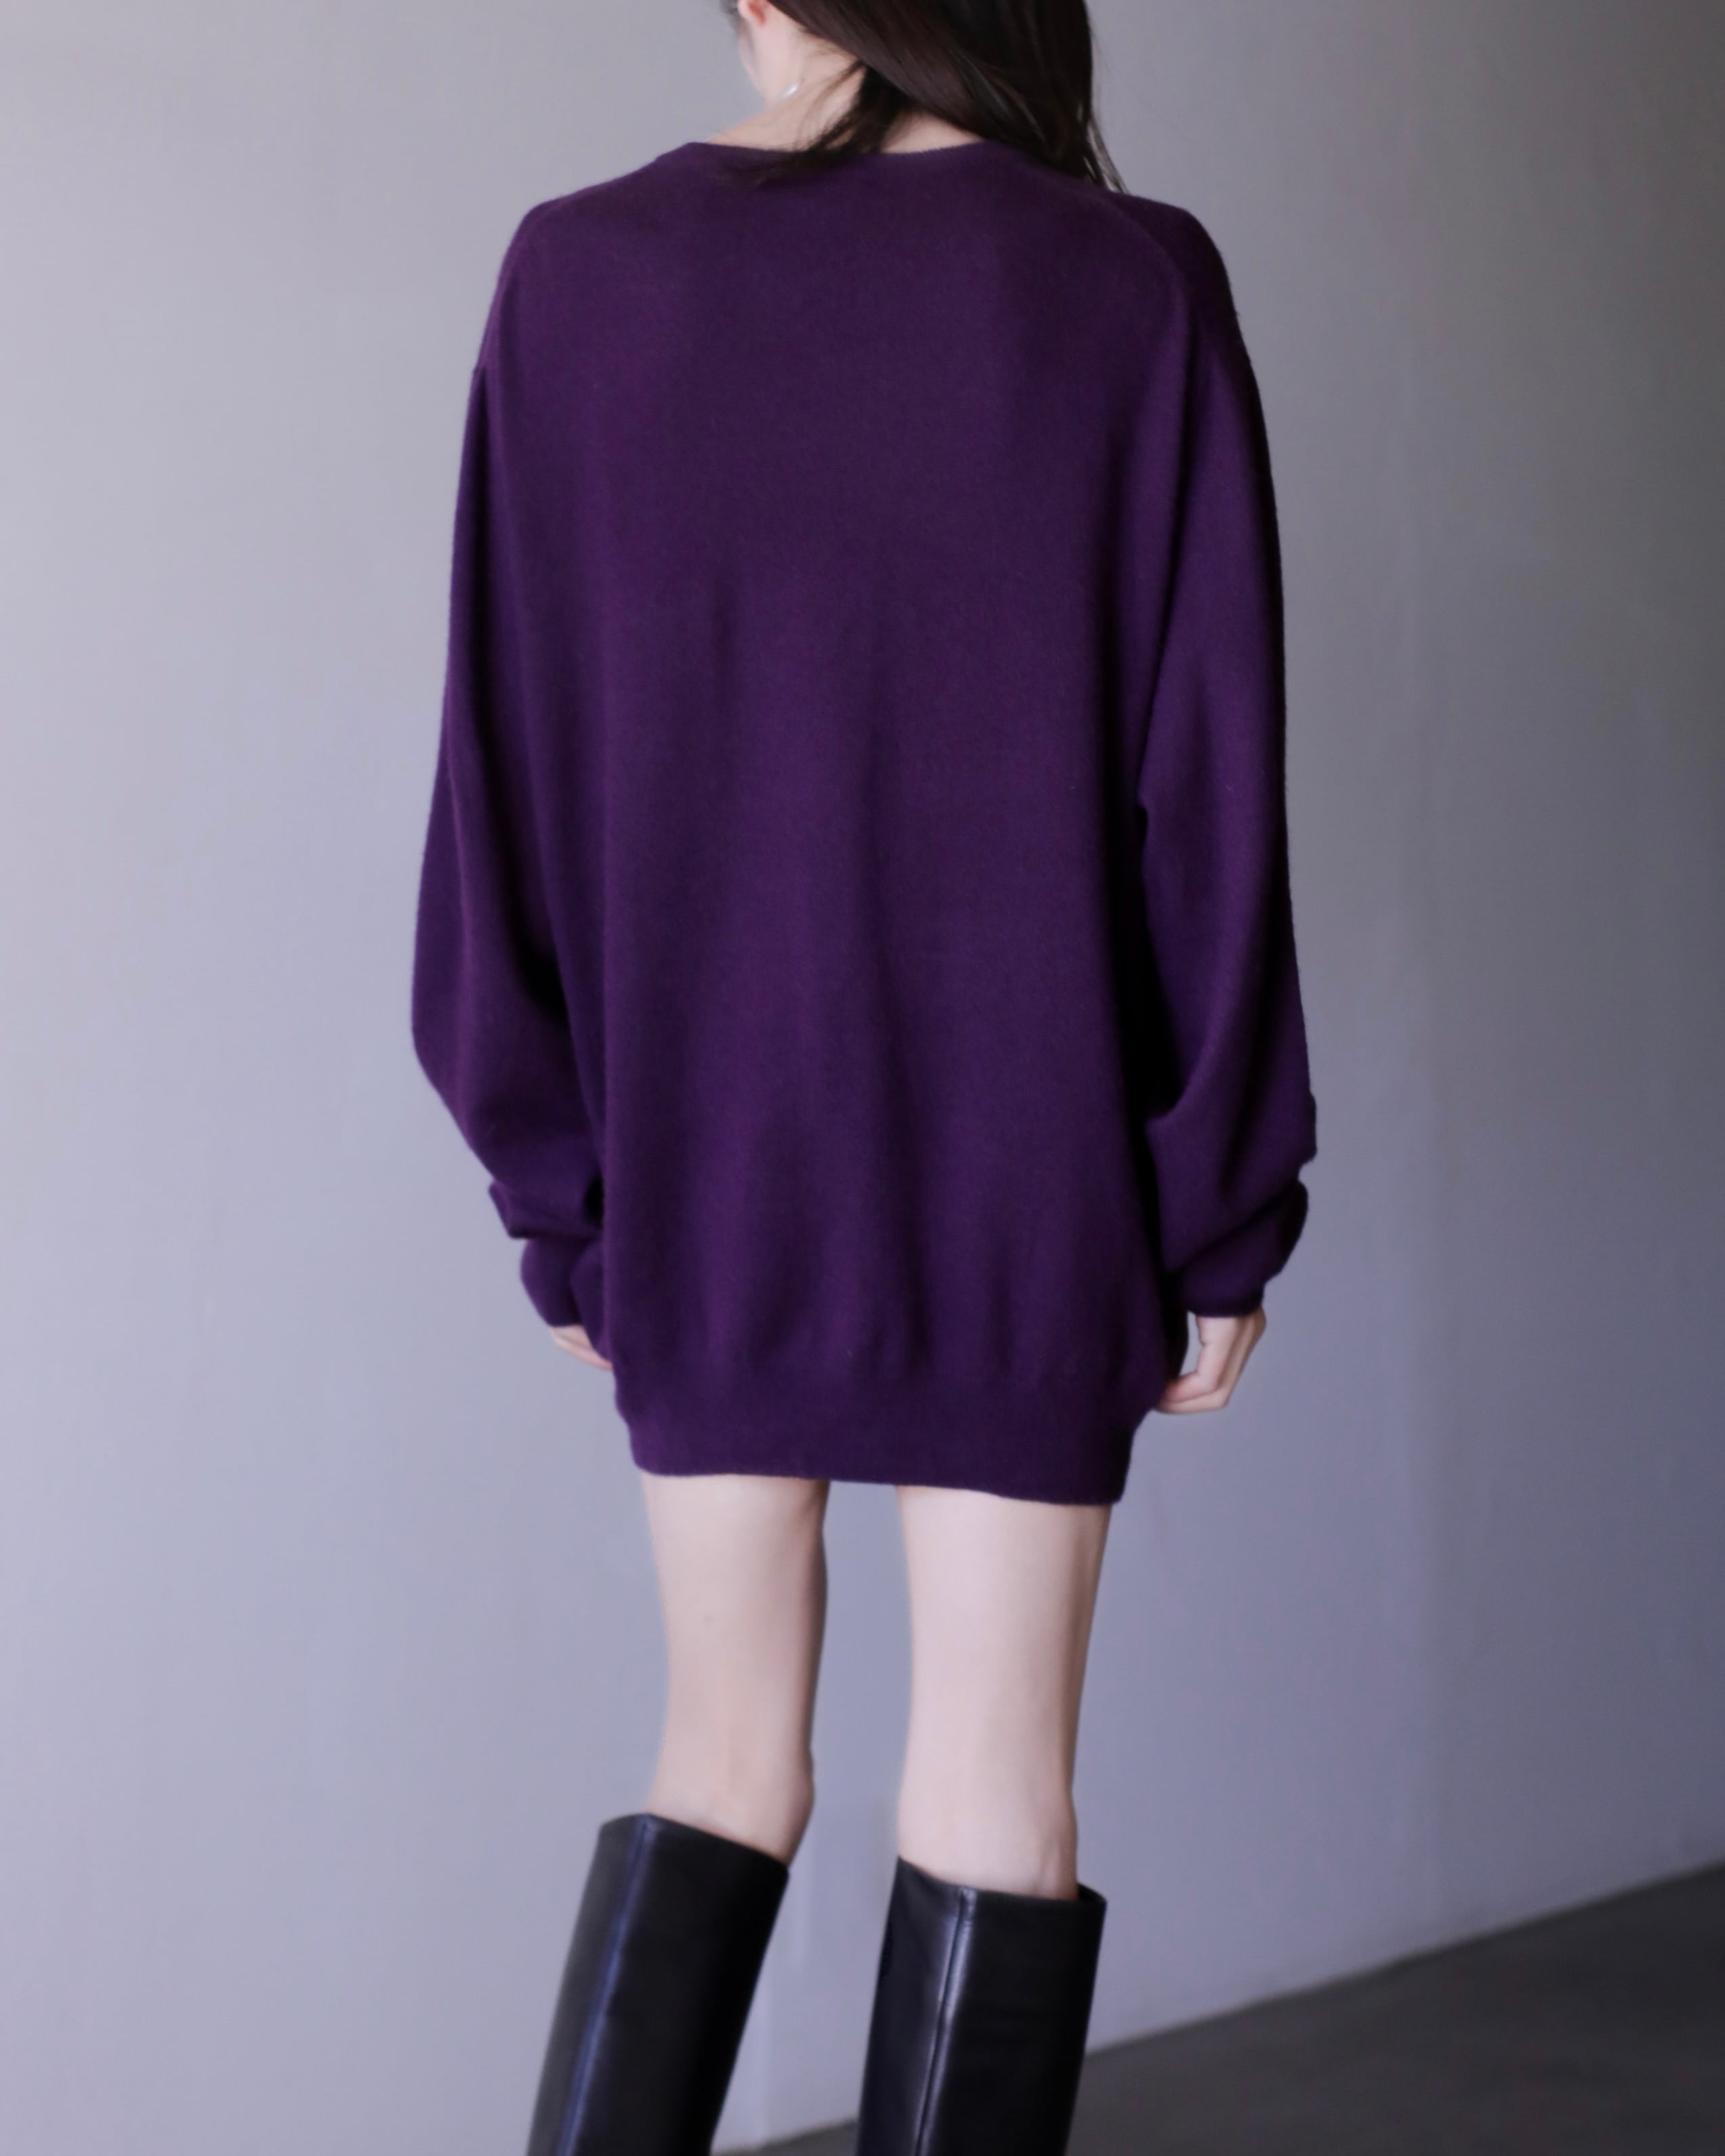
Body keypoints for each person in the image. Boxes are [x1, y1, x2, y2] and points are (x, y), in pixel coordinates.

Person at [409, 0, 1319, 2148]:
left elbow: (497, 796)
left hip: (710, 1173)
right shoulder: (1127, 284)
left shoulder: (578, 278)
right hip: (1033, 1175)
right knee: (1000, 1791)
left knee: (721, 1759)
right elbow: (1206, 800)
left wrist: (568, 1202)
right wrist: (1214, 1209)